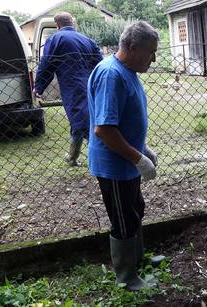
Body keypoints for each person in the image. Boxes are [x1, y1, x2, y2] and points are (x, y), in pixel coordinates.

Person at [87, 21, 159, 291]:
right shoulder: (111, 75)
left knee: (135, 210)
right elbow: (104, 129)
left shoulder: (127, 71)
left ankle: (137, 259)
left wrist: (143, 148)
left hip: (126, 160)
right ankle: (127, 277)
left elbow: (124, 120)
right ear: (132, 47)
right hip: (114, 164)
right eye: (150, 52)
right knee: (123, 219)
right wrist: (138, 158)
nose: (153, 58)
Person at [34, 12, 103, 166]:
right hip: (91, 86)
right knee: (80, 121)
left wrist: (39, 87)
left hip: (73, 89)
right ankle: (72, 157)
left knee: (81, 123)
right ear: (72, 23)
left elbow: (46, 65)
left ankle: (104, 155)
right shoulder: (87, 40)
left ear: (57, 25)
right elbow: (100, 63)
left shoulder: (55, 39)